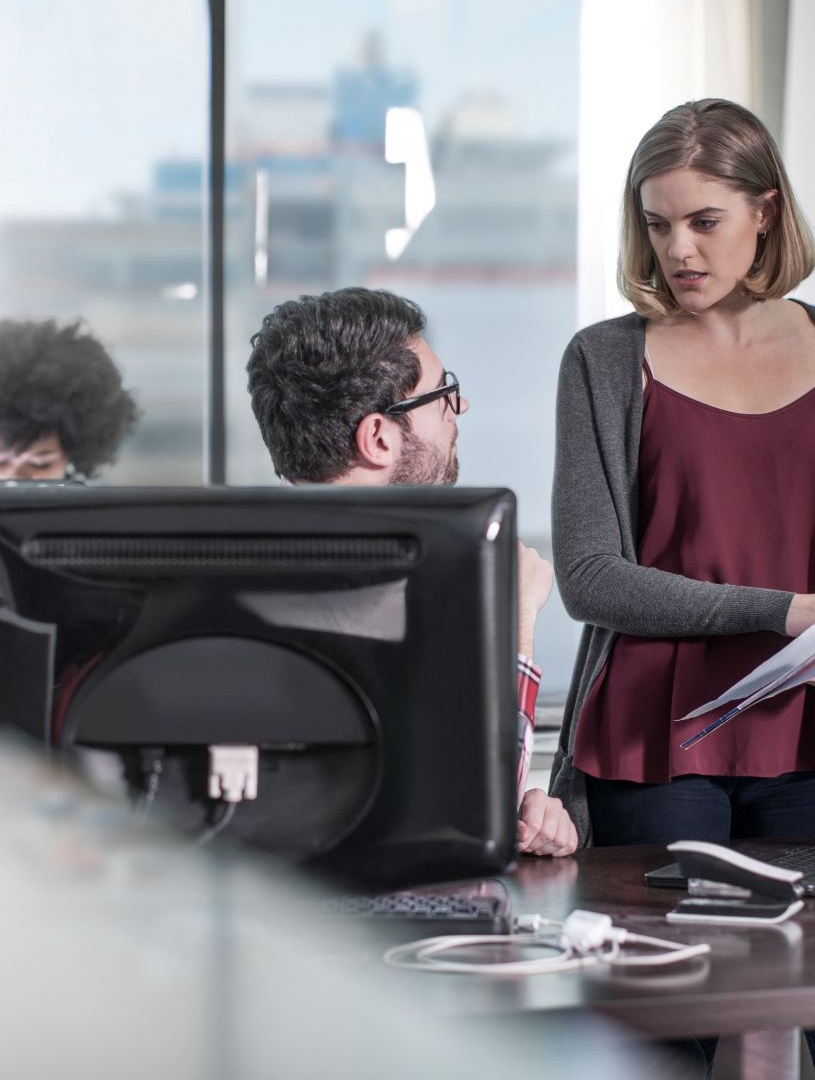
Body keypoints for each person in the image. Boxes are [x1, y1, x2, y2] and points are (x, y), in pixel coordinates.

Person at [547, 99, 815, 1080]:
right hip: (656, 740)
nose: (677, 248)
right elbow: (589, 575)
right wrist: (787, 610)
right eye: (658, 222)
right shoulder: (606, 358)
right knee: (663, 1073)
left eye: (703, 220)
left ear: (765, 209)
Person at [245, 287, 576, 857]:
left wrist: (525, 808)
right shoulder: (343, 593)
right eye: (443, 394)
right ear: (379, 437)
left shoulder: (267, 559)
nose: (460, 408)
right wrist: (514, 622)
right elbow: (466, 809)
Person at [0, 318, 139, 481]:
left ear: (70, 456)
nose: (17, 478)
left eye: (40, 463)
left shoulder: (97, 523)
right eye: (0, 461)